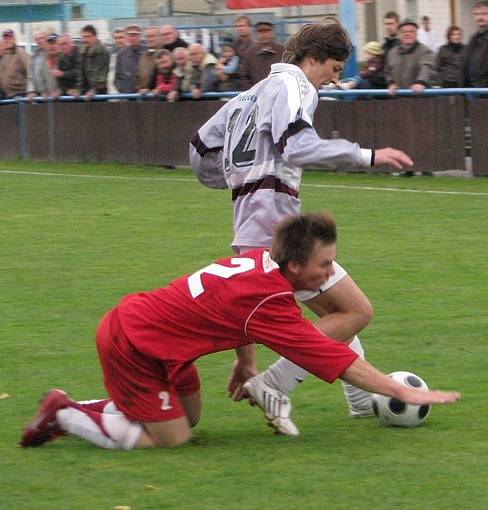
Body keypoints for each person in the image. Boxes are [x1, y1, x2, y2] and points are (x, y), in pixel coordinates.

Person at [19, 211, 460, 450]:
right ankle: (64, 412)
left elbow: (235, 314)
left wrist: (244, 361)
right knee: (173, 438)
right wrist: (401, 391)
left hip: (161, 343)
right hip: (132, 344)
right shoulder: (271, 301)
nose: (328, 274)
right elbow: (336, 359)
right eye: (324, 266)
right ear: (294, 266)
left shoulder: (259, 265)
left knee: (190, 416)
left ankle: (111, 406)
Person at [189, 20, 414, 435]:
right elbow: (299, 146)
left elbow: (199, 151)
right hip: (280, 229)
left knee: (334, 312)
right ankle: (273, 384)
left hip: (248, 229)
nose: (334, 79)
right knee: (356, 311)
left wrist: (241, 179)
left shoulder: (246, 96)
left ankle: (362, 402)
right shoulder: (296, 85)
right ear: (311, 58)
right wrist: (368, 156)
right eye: (333, 68)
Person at [385, 19, 436, 96]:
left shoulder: (425, 51)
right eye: (404, 32)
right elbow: (388, 71)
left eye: (411, 31)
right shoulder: (392, 53)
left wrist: (420, 82)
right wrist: (391, 83)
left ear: (416, 33)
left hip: (421, 99)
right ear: (399, 34)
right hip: (398, 99)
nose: (407, 34)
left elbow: (427, 68)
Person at [239, 21, 284, 90]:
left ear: (271, 33)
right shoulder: (249, 53)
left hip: (278, 93)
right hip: (257, 96)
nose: (264, 35)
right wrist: (253, 92)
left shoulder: (281, 51)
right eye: (261, 32)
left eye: (266, 31)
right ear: (257, 34)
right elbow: (244, 76)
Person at [80, 24, 110, 97]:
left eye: (88, 37)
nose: (85, 39)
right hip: (86, 92)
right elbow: (80, 73)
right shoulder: (82, 51)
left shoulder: (102, 52)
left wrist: (94, 90)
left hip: (99, 92)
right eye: (83, 37)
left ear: (95, 37)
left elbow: (101, 74)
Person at [115, 25, 145, 94]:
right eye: (130, 35)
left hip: (144, 95)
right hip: (127, 95)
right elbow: (117, 77)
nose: (133, 38)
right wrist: (123, 91)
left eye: (135, 35)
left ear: (140, 36)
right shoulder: (121, 54)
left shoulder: (147, 52)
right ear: (127, 37)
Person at [465, 0, 488, 88]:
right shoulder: (473, 39)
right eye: (477, 14)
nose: (480, 17)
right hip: (472, 91)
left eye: (484, 13)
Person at [0, 28, 28, 98]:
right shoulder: (5, 54)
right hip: (7, 94)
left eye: (9, 38)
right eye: (5, 38)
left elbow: (31, 73)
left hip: (19, 95)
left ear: (14, 39)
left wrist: (32, 92)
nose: (7, 40)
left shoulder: (21, 53)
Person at [137, 26, 162, 92]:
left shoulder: (165, 54)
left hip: (160, 96)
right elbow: (138, 76)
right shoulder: (143, 56)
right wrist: (138, 88)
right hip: (143, 97)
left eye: (153, 36)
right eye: (148, 37)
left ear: (159, 37)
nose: (150, 39)